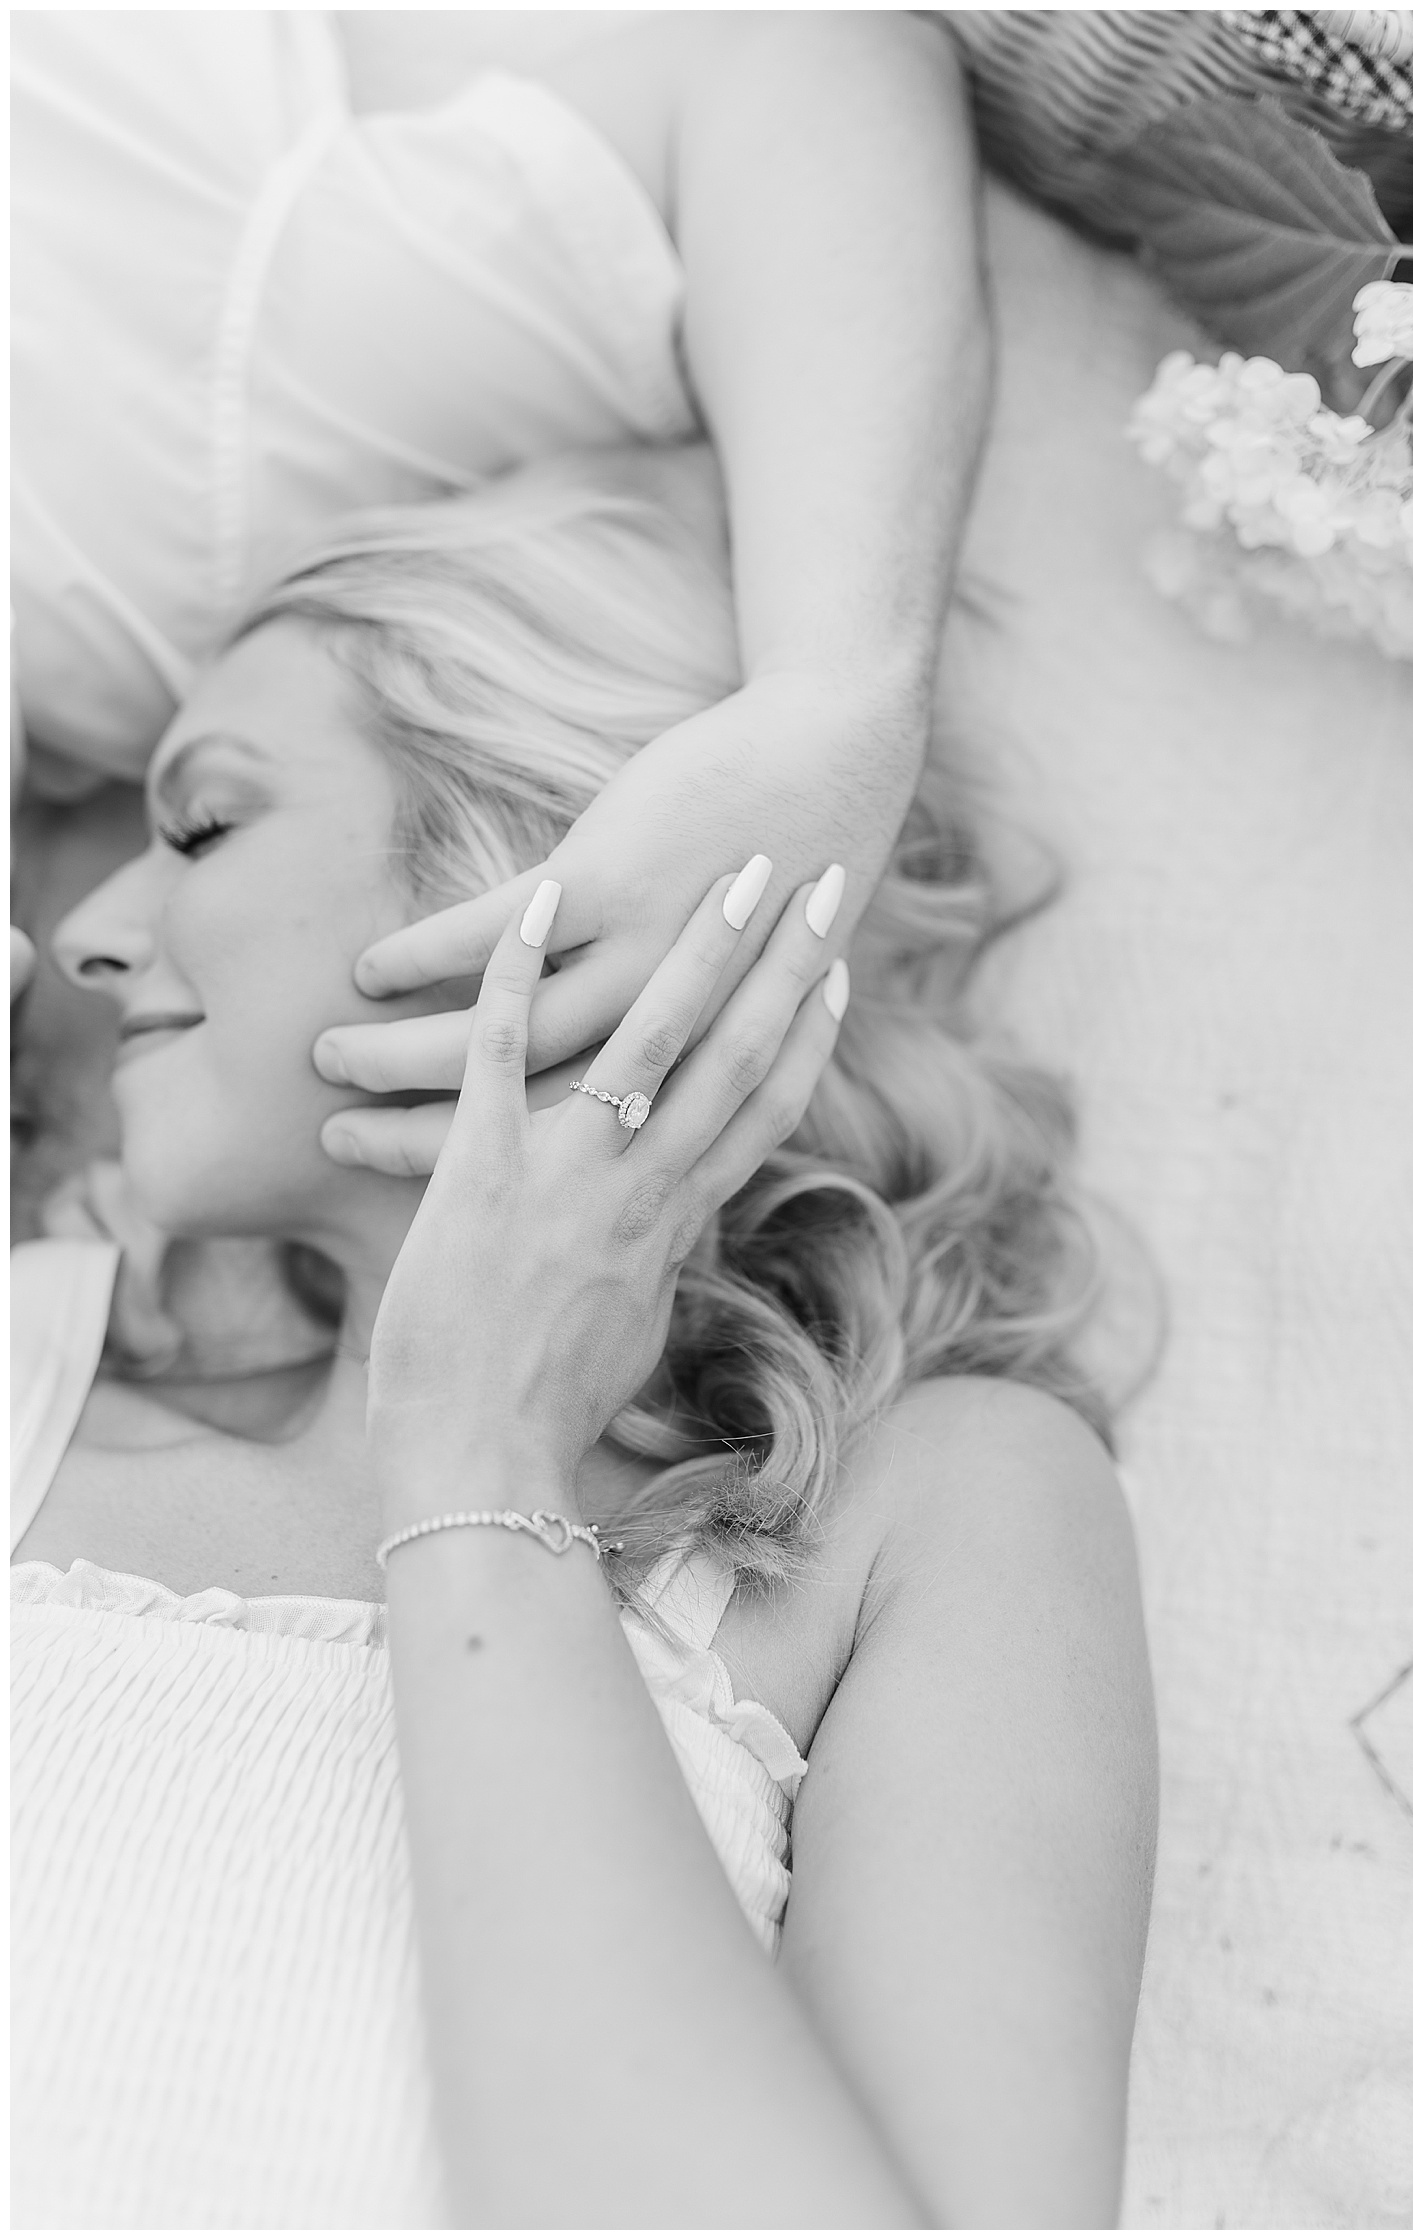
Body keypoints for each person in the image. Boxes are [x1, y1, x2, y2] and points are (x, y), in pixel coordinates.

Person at [13, 447, 1157, 2229]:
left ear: (539, 862)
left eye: (207, 823)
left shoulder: (937, 1509)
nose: (80, 934)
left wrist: (480, 1460)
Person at [13, 9, 989, 1080]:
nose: (70, 948)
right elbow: (809, 66)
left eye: (203, 827)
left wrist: (836, 700)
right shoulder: (174, 554)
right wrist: (833, 694)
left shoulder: (178, 508)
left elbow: (807, 67)